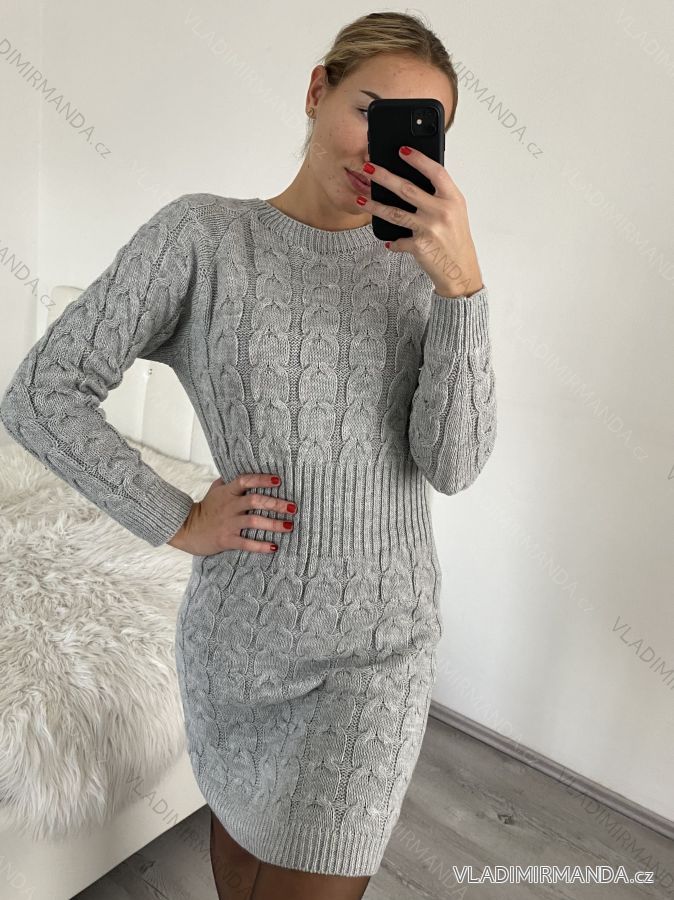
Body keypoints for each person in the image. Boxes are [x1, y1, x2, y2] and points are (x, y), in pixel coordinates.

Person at [0, 11, 497, 900]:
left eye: (416, 133)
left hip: (379, 653)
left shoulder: (427, 271)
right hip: (239, 647)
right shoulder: (202, 239)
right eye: (370, 110)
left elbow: (453, 464)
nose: (382, 150)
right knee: (241, 876)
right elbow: (42, 393)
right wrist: (178, 516)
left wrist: (463, 290)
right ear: (316, 92)